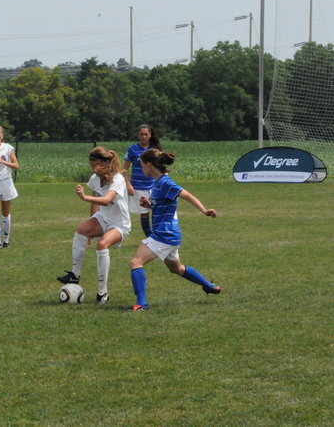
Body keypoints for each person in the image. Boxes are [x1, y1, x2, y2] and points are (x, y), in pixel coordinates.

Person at [128, 149, 221, 311]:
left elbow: (187, 195)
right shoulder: (157, 182)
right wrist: (149, 204)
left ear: (149, 164)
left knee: (135, 262)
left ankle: (141, 303)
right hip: (170, 234)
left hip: (164, 234)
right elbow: (162, 205)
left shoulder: (165, 182)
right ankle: (208, 286)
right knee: (176, 268)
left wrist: (204, 210)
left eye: (142, 165)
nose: (141, 169)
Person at [56, 147, 131, 304]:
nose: (93, 169)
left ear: (104, 163)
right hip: (103, 218)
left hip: (119, 223)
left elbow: (106, 200)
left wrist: (84, 197)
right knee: (82, 229)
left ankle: (102, 292)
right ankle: (74, 275)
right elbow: (95, 202)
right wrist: (91, 227)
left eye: (94, 165)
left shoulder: (117, 179)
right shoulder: (95, 178)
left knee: (102, 244)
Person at [123, 124, 162, 237]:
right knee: (144, 213)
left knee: (157, 211)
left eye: (146, 134)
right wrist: (128, 184)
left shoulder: (155, 149)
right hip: (138, 186)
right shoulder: (132, 149)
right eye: (142, 134)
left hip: (154, 185)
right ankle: (149, 237)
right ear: (138, 135)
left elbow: (161, 167)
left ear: (150, 135)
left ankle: (157, 236)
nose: (144, 136)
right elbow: (125, 169)